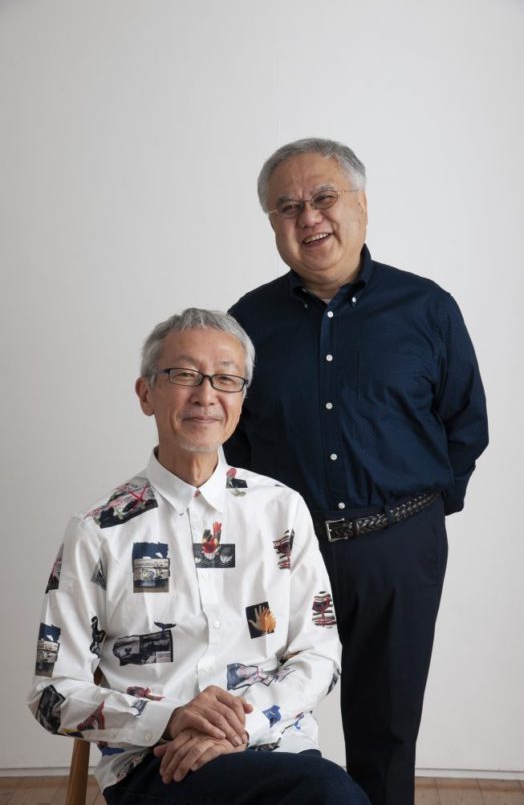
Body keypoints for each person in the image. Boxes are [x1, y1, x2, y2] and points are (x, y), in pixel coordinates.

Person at [225, 139, 489, 805]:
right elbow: (236, 440)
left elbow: (465, 423)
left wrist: (417, 516)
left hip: (399, 548)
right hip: (285, 554)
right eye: (287, 207)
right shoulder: (246, 324)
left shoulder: (426, 308)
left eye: (324, 197)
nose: (308, 217)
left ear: (361, 205)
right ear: (272, 223)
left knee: (387, 729)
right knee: (262, 717)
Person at [28, 308, 370, 805]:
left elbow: (319, 654)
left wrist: (238, 727)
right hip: (156, 763)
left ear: (242, 398)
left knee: (326, 793)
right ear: (146, 394)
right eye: (184, 374)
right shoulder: (99, 530)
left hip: (275, 749)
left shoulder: (282, 510)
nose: (206, 395)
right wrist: (170, 720)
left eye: (226, 378)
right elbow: (53, 693)